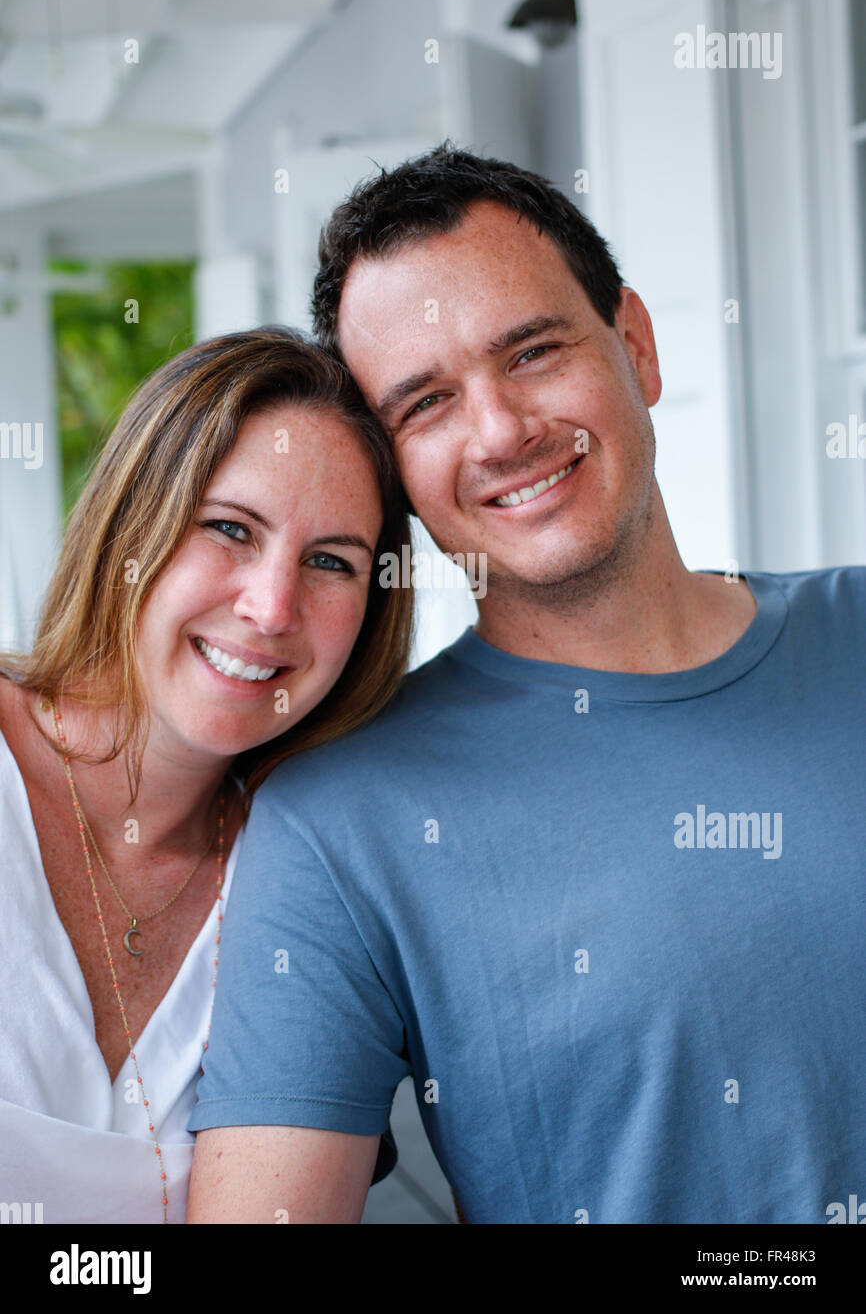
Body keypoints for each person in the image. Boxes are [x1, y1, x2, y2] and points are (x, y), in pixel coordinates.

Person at [187, 145, 866, 1225]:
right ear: (393, 469)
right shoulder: (336, 825)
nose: (500, 430)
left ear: (634, 345)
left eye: (533, 352)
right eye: (425, 403)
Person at [0, 326, 412, 1224]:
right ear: (130, 523)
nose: (270, 607)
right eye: (229, 529)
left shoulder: (309, 877)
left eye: (331, 561)